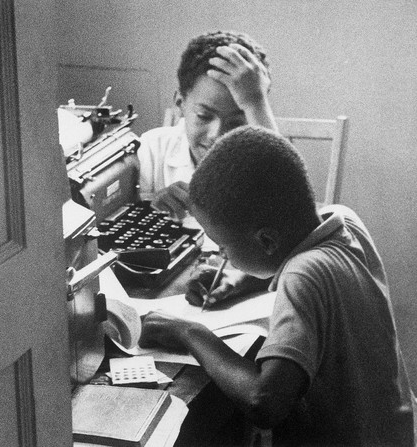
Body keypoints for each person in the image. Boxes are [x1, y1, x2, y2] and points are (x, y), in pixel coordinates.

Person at [140, 126, 415, 446]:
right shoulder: (343, 220)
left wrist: (190, 333)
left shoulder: (302, 278)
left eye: (224, 248)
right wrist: (241, 280)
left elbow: (264, 401)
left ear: (267, 240)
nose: (223, 259)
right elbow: (303, 253)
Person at [137, 30, 276, 222]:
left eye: (236, 123)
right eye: (203, 116)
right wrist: (150, 210)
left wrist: (256, 102)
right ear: (180, 103)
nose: (216, 134)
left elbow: (286, 202)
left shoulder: (265, 162)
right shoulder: (152, 149)